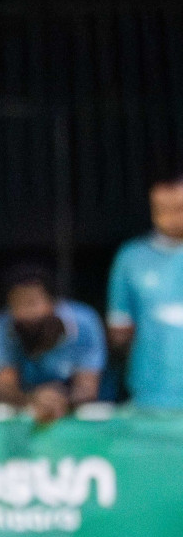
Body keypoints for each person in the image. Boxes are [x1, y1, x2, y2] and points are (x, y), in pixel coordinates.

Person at [0, 265, 105, 423]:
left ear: (54, 303)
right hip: (27, 416)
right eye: (16, 304)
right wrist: (33, 398)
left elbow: (88, 389)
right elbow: (3, 387)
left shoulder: (85, 323)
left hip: (84, 421)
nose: (25, 313)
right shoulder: (1, 326)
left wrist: (58, 400)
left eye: (32, 302)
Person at [107, 174, 183, 409]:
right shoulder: (131, 257)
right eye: (162, 208)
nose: (171, 216)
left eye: (179, 207)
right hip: (151, 395)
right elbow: (120, 330)